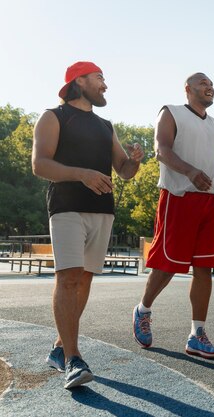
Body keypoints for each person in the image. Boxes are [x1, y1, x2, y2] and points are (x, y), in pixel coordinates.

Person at [32, 61, 144, 389]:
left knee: (83, 280)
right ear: (79, 80)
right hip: (67, 207)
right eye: (99, 78)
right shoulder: (53, 117)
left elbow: (122, 170)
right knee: (67, 278)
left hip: (102, 211)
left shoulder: (106, 126)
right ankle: (73, 359)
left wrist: (133, 162)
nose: (105, 84)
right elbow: (40, 164)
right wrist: (81, 173)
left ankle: (58, 349)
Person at [132, 73, 214, 359]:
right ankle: (143, 309)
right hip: (180, 195)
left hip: (212, 199)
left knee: (204, 267)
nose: (209, 87)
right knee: (169, 263)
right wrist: (190, 172)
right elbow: (162, 150)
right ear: (188, 89)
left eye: (211, 84)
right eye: (203, 84)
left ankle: (197, 333)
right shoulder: (170, 112)